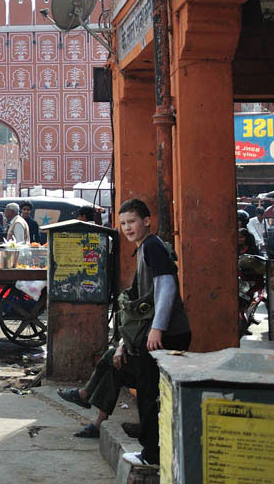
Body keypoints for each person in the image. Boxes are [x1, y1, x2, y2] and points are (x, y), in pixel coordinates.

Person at [116, 198, 191, 468]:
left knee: (150, 394)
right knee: (153, 393)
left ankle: (151, 455)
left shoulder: (152, 247)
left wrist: (157, 328)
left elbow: (167, 286)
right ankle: (158, 450)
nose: (127, 228)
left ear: (147, 221)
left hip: (167, 333)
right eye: (123, 223)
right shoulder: (147, 248)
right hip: (164, 332)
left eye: (132, 221)